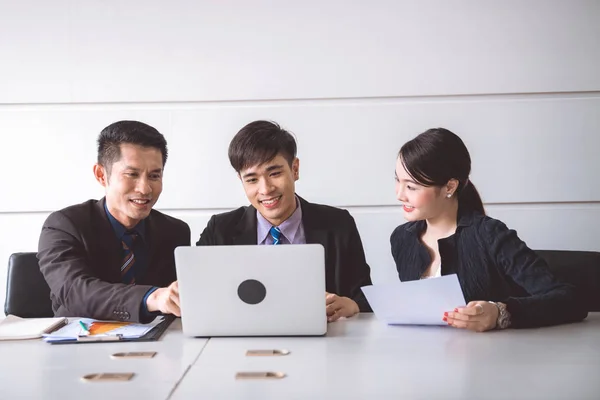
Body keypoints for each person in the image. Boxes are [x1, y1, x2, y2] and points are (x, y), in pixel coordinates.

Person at [391, 127, 587, 331]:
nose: (400, 195)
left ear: (449, 187)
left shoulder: (489, 234)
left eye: (411, 187)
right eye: (397, 180)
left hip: (492, 358)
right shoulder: (401, 238)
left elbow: (571, 300)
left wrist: (500, 312)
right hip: (425, 357)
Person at [197, 120, 372, 321]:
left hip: (323, 343)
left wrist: (352, 305)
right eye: (252, 179)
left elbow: (366, 298)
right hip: (243, 340)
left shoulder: (338, 224)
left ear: (294, 169)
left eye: (275, 173)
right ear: (242, 181)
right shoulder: (220, 229)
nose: (265, 189)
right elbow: (198, 295)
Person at [38, 120, 190, 323]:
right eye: (131, 175)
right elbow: (75, 291)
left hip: (158, 346)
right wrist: (150, 297)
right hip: (78, 344)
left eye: (155, 175)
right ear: (101, 175)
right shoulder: (64, 225)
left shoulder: (175, 231)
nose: (145, 189)